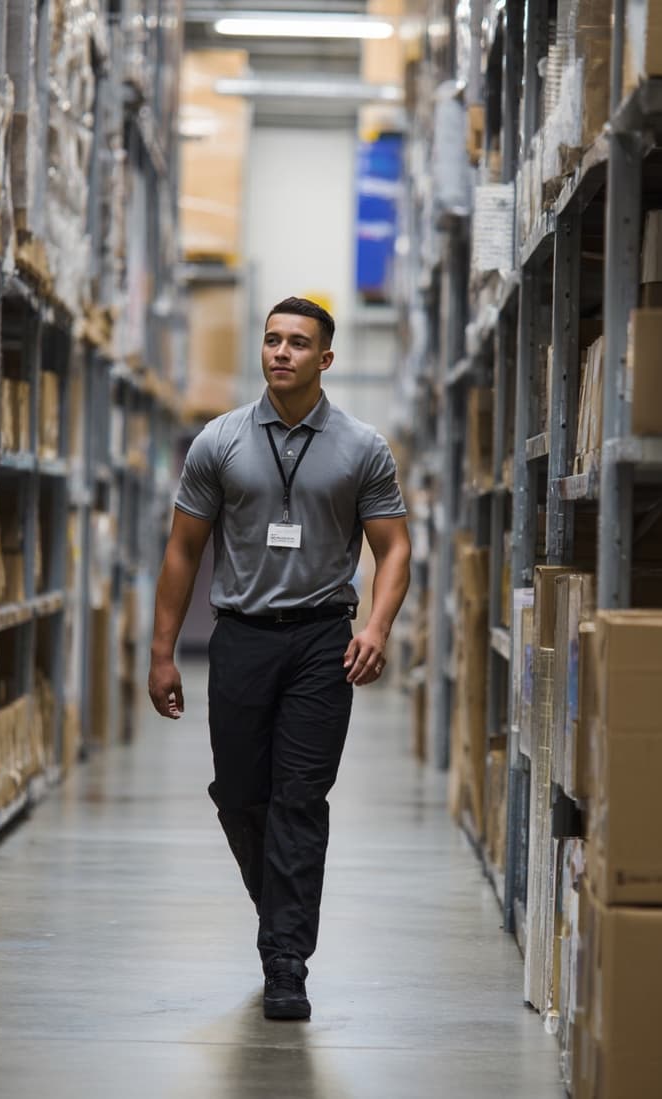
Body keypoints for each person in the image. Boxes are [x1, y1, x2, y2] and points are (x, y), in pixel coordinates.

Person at [148, 296, 411, 1021]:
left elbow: (394, 548)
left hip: (323, 642)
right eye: (272, 340)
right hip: (242, 638)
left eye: (298, 342)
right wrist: (160, 651)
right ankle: (280, 905)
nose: (282, 352)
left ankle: (285, 962)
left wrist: (379, 628)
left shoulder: (363, 446)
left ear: (326, 358)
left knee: (299, 797)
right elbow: (182, 549)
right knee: (240, 794)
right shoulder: (219, 442)